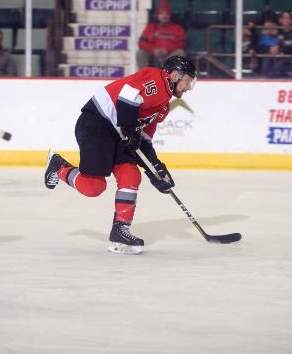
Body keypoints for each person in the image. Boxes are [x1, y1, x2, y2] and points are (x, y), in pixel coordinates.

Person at [43, 56, 197, 255]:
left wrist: (156, 170)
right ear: (175, 75)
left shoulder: (163, 106)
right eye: (188, 81)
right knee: (93, 187)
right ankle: (59, 167)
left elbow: (143, 141)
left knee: (131, 175)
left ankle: (120, 231)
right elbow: (127, 96)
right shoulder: (155, 78)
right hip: (96, 123)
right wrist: (130, 128)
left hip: (118, 132)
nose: (189, 87)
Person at [137, 0, 187, 70]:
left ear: (170, 16)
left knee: (180, 53)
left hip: (169, 54)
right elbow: (141, 43)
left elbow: (182, 44)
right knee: (140, 53)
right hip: (153, 54)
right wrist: (153, 50)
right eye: (162, 14)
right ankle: (144, 76)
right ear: (158, 15)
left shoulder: (177, 28)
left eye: (167, 14)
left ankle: (171, 78)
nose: (164, 16)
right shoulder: (150, 27)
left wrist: (167, 50)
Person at [260, 12, 292, 78]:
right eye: (284, 18)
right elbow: (266, 43)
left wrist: (281, 50)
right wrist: (270, 48)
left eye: (289, 18)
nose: (286, 20)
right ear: (280, 20)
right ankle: (265, 79)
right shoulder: (275, 31)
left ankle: (273, 79)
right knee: (267, 57)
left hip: (287, 57)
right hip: (273, 55)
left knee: (281, 61)